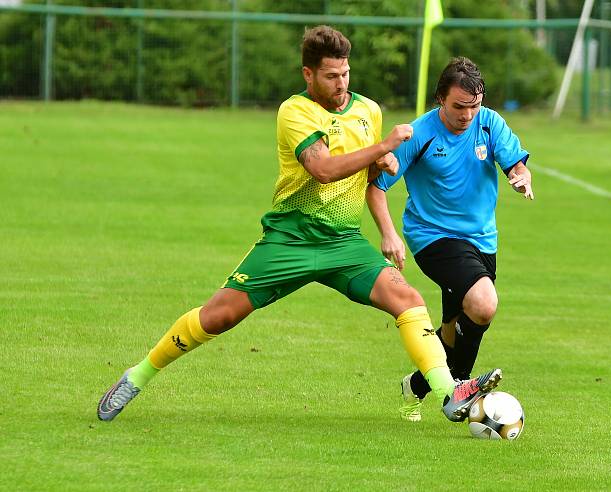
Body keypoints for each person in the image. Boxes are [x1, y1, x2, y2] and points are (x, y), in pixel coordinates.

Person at [97, 26, 501, 424]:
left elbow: (369, 174)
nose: (341, 83)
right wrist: (383, 148)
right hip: (290, 238)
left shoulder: (368, 111)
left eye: (345, 73)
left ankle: (450, 393)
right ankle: (137, 376)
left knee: (409, 300)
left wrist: (384, 189)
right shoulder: (295, 111)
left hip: (343, 242)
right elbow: (323, 169)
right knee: (217, 316)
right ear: (308, 74)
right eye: (331, 75)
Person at [365, 57, 532, 422]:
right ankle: (461, 391)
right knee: (484, 303)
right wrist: (389, 234)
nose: (467, 115)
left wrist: (522, 176)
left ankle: (416, 386)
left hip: (483, 240)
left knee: (453, 331)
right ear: (441, 98)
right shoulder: (419, 134)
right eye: (459, 106)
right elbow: (375, 187)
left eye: (474, 106)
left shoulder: (489, 124)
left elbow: (515, 163)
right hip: (433, 237)